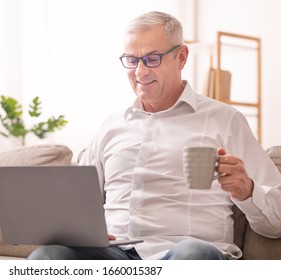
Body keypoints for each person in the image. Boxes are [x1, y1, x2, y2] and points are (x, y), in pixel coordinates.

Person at [27, 11, 281, 260]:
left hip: (188, 251)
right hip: (114, 253)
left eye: (152, 59)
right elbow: (76, 203)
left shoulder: (224, 120)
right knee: (48, 256)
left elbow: (276, 222)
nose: (140, 72)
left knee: (193, 253)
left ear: (181, 57)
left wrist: (247, 190)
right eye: (132, 60)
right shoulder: (111, 126)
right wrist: (79, 231)